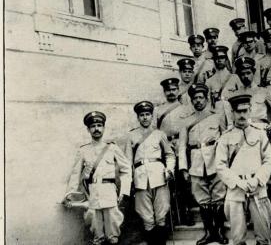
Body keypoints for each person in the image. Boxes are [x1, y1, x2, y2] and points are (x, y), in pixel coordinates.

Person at [63, 111, 131, 245]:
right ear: (88, 130)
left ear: (104, 128)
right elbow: (76, 174)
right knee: (96, 231)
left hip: (109, 192)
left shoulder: (112, 148)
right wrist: (70, 194)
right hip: (92, 193)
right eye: (93, 126)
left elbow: (126, 169)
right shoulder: (83, 150)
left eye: (99, 125)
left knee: (113, 231)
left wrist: (124, 190)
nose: (96, 129)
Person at [216, 94, 271, 245]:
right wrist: (237, 182)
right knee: (237, 237)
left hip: (257, 187)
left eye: (245, 111)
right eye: (238, 112)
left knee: (263, 236)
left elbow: (268, 160)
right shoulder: (225, 138)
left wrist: (258, 179)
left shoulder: (259, 134)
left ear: (250, 110)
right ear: (232, 113)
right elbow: (220, 165)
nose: (242, 115)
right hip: (235, 189)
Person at [178, 83, 228, 245]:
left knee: (219, 197)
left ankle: (219, 232)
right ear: (191, 101)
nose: (198, 101)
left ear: (206, 99)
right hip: (197, 164)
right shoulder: (186, 121)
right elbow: (182, 146)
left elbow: (226, 138)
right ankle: (209, 233)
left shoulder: (217, 116)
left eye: (201, 97)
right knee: (203, 200)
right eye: (195, 98)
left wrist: (225, 162)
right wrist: (184, 168)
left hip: (215, 162)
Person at [124, 101, 176, 245]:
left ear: (152, 116)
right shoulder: (131, 136)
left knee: (161, 215)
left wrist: (169, 170)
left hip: (159, 177)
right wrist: (129, 182)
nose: (145, 118)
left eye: (147, 114)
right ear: (138, 117)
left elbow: (170, 155)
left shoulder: (159, 134)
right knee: (146, 217)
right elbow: (127, 162)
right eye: (142, 115)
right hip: (140, 180)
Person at [155, 77, 195, 226]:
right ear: (164, 92)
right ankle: (172, 215)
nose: (171, 92)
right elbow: (154, 132)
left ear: (178, 90)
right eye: (168, 90)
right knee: (168, 183)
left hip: (181, 146)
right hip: (165, 148)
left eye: (173, 89)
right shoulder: (158, 110)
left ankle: (186, 213)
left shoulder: (186, 108)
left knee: (184, 182)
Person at [231, 57, 271, 129]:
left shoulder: (264, 91)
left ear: (253, 73)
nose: (246, 76)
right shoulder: (236, 94)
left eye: (248, 73)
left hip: (260, 128)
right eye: (242, 74)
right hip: (243, 129)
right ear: (238, 75)